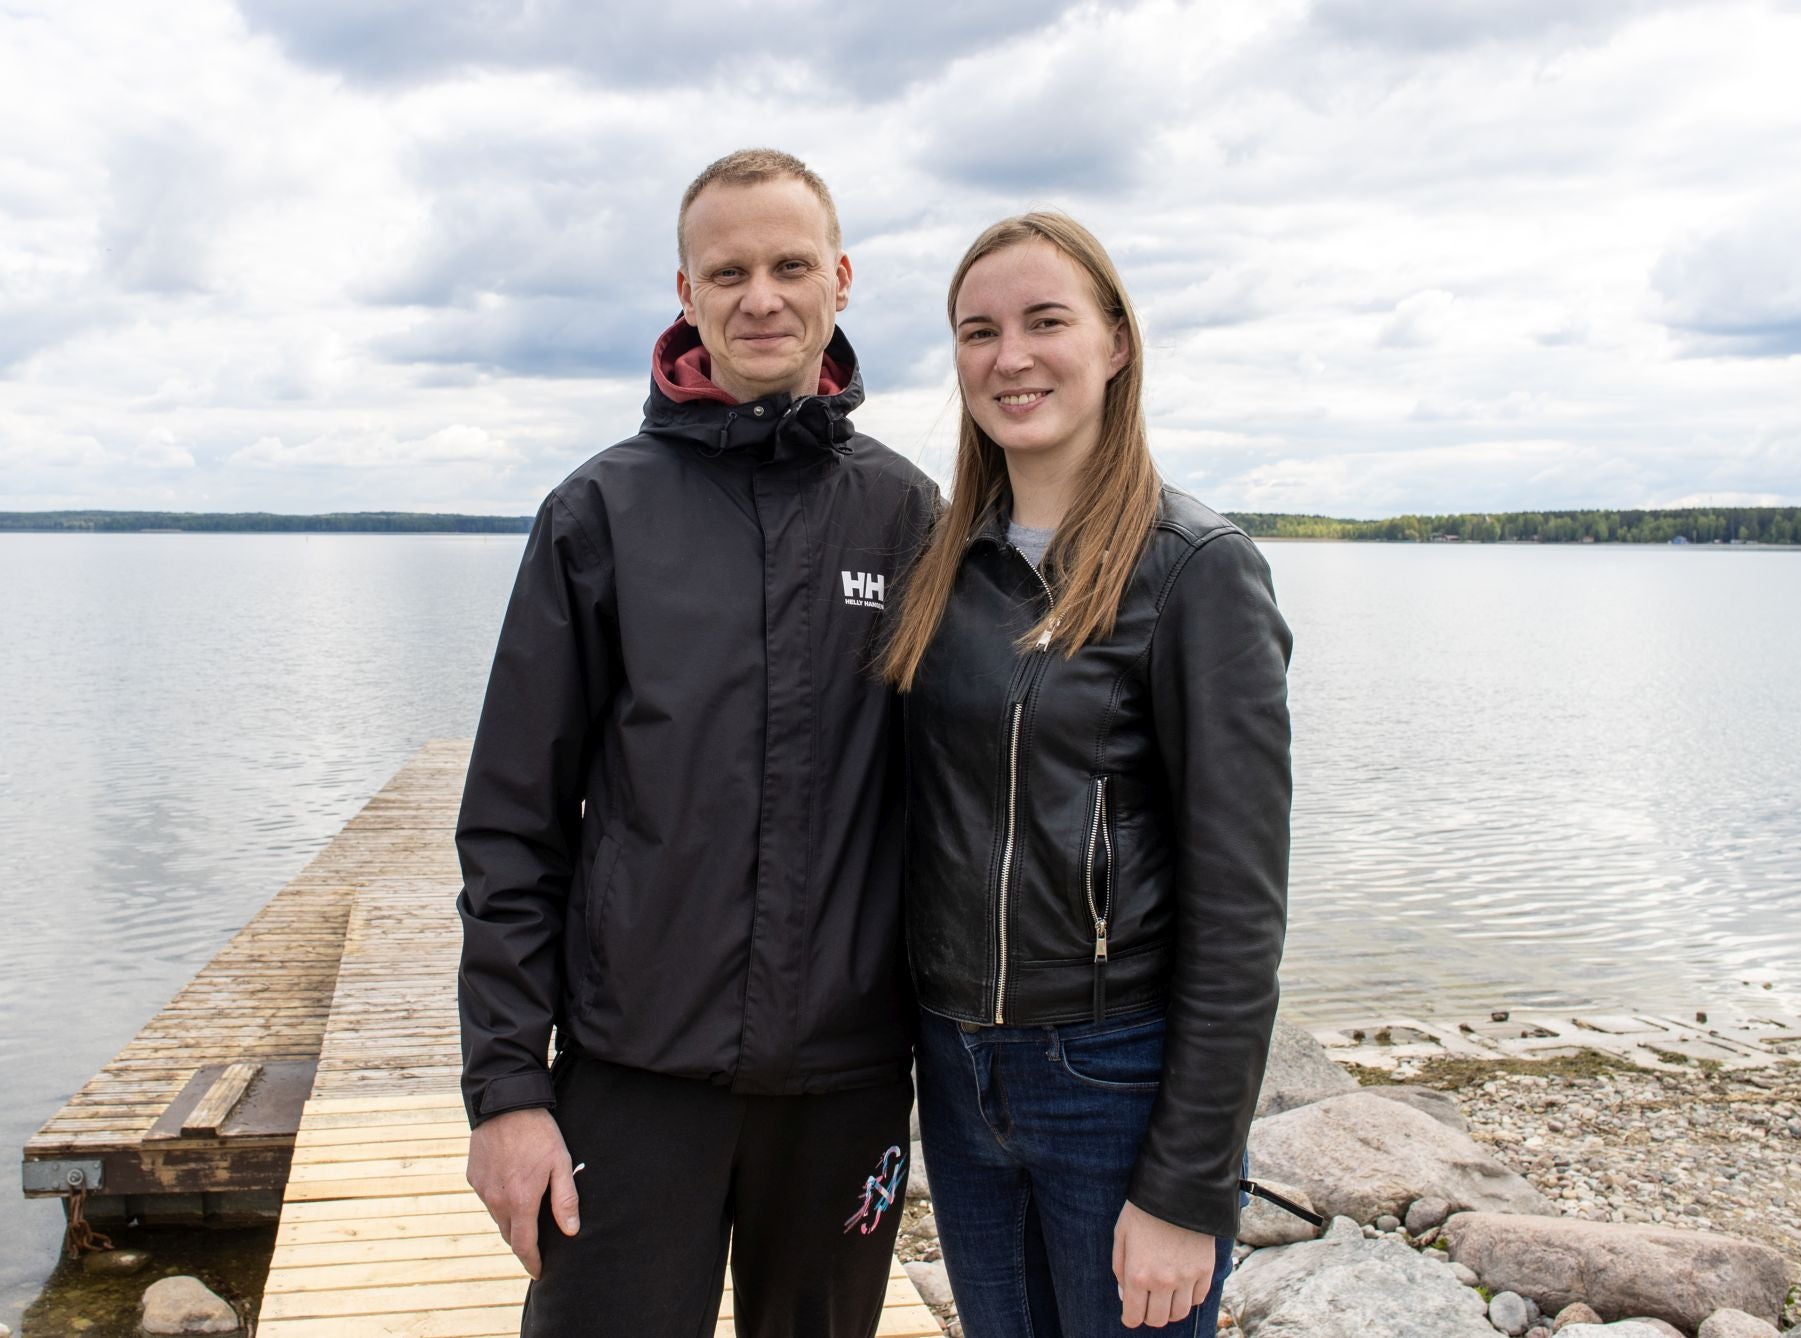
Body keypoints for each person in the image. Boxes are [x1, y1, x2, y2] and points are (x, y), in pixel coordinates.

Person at [456, 148, 936, 1338]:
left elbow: (964, 806)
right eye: (728, 271)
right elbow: (514, 822)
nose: (759, 296)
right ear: (685, 291)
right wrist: (509, 1090)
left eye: (788, 265)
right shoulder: (598, 514)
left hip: (845, 1082)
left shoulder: (911, 515)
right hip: (632, 1079)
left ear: (841, 277)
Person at [879, 213, 1292, 1335]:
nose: (1010, 357)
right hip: (957, 1075)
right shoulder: (941, 568)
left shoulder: (1197, 573)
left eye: (1045, 321)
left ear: (1116, 343)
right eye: (979, 331)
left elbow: (1242, 911)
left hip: (1111, 1073)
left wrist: (1187, 1185)